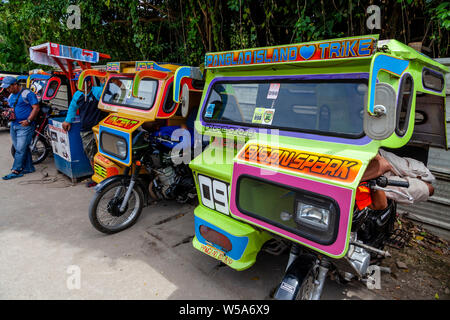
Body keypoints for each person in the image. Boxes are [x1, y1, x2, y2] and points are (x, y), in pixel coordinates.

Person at [62, 76, 106, 187]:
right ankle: (97, 178)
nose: (78, 85)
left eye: (80, 82)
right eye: (77, 83)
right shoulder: (77, 95)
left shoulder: (96, 91)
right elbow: (72, 108)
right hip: (86, 130)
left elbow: (106, 95)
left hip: (102, 129)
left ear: (89, 83)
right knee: (91, 155)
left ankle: (106, 179)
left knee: (105, 156)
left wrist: (103, 84)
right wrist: (67, 121)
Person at [361, 149, 435, 210]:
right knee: (429, 189)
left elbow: (384, 164)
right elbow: (380, 205)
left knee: (426, 177)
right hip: (373, 179)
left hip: (379, 160)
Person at [1, 76, 40, 180]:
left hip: (25, 126)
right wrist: (8, 113)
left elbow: (36, 108)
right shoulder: (10, 96)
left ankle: (16, 170)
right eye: (6, 88)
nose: (7, 90)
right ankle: (29, 168)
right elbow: (12, 108)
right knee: (21, 147)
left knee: (20, 149)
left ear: (15, 84)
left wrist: (28, 120)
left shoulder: (27, 94)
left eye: (9, 87)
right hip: (14, 125)